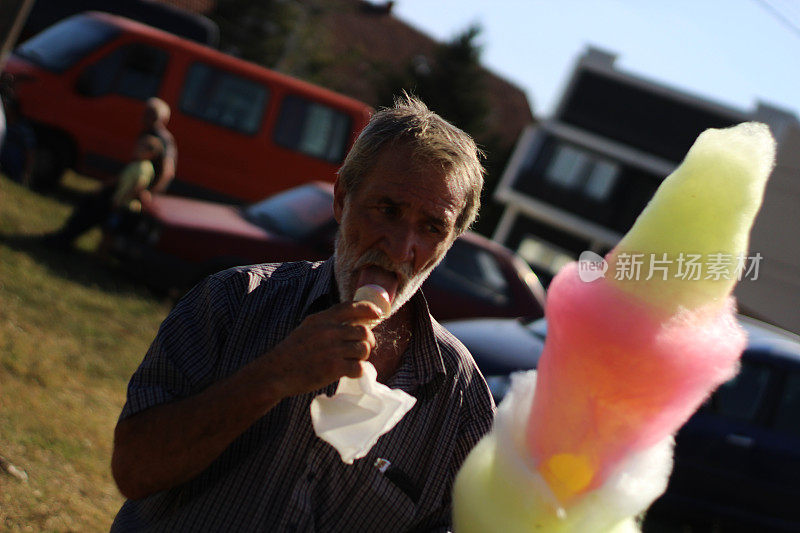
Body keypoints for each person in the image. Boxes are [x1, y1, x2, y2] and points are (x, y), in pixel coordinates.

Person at [110, 94, 495, 532]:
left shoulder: (459, 400)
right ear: (341, 200)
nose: (400, 246)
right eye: (386, 210)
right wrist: (273, 375)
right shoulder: (232, 301)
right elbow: (133, 470)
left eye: (431, 228)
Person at [42, 98, 175, 248]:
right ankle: (64, 237)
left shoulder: (162, 139)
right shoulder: (147, 132)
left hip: (133, 192)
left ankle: (64, 240)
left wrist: (149, 193)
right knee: (92, 204)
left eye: (151, 114)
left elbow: (167, 171)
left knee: (97, 209)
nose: (146, 116)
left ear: (163, 119)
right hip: (128, 183)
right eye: (147, 112)